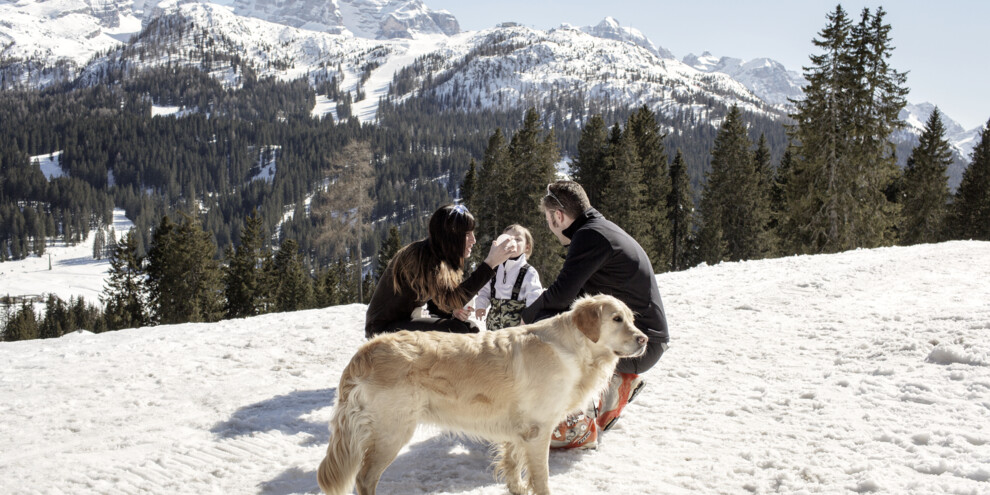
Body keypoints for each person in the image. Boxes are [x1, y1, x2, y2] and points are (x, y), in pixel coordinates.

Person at [521, 180, 670, 449]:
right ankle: (616, 386)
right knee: (564, 321)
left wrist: (525, 321)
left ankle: (577, 429)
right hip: (643, 340)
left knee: (551, 336)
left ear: (558, 216)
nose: (549, 225)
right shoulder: (598, 230)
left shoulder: (590, 236)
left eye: (547, 218)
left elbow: (561, 295)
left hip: (639, 345)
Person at [365, 204, 520, 338]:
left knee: (469, 329)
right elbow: (451, 300)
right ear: (450, 236)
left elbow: (436, 302)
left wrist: (452, 313)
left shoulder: (436, 254)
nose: (473, 239)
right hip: (382, 330)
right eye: (467, 234)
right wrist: (490, 263)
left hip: (401, 321)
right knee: (459, 331)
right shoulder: (423, 258)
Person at [474, 224, 543, 331]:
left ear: (527, 247)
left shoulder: (529, 272)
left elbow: (534, 296)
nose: (512, 242)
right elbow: (484, 291)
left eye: (518, 239)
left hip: (517, 329)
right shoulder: (494, 268)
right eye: (508, 239)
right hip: (493, 326)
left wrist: (530, 318)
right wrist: (480, 306)